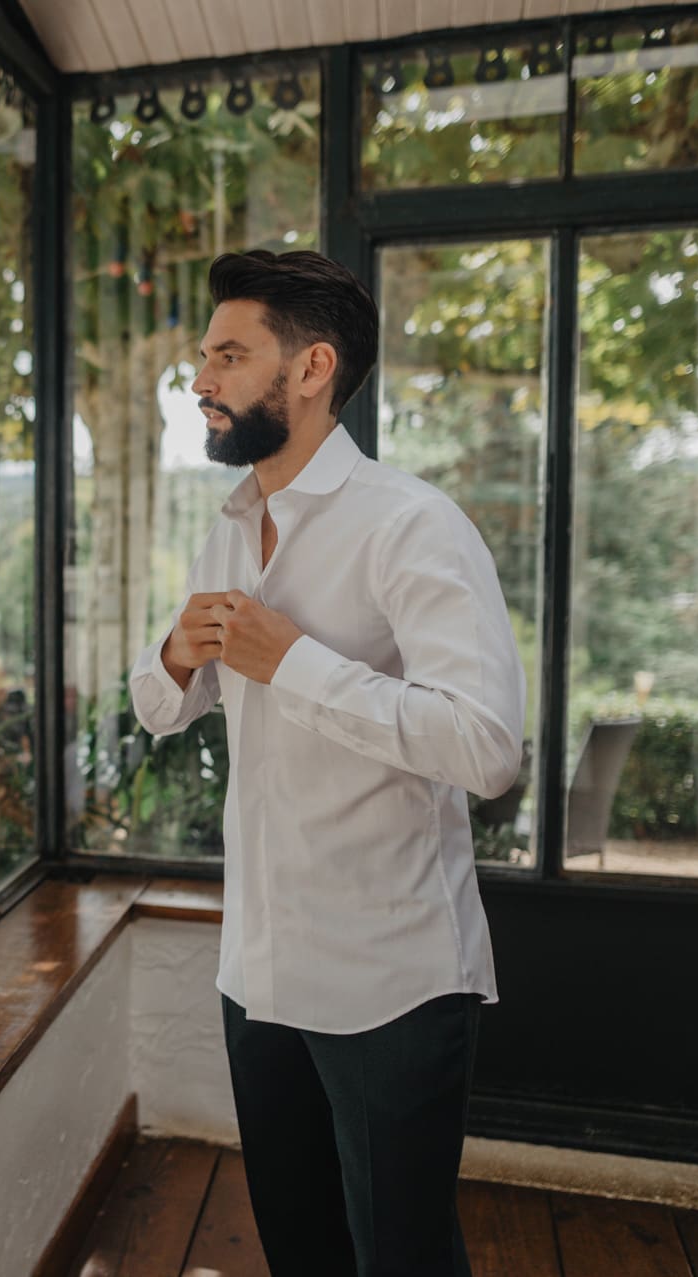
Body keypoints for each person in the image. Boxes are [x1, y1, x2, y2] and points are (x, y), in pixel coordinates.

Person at [128, 249, 524, 1276]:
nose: (201, 380)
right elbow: (162, 709)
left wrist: (295, 662)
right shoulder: (233, 525)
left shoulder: (411, 524)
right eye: (202, 357)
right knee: (300, 1247)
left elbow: (487, 745)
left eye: (228, 354)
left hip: (389, 979)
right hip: (257, 967)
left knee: (401, 1257)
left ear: (310, 370)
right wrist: (176, 652)